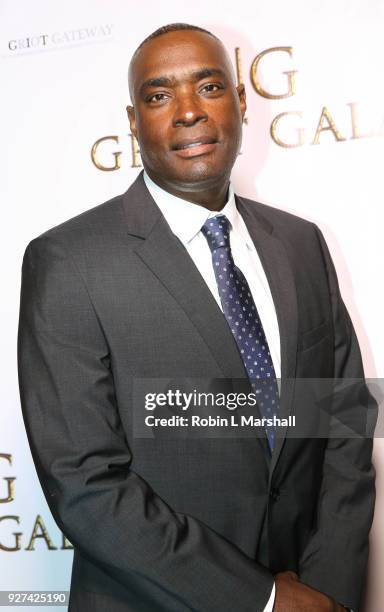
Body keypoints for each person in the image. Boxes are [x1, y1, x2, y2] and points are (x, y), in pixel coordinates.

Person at [17, 23, 375, 612]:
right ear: (134, 124)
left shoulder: (302, 242)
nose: (187, 112)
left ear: (240, 104)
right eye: (159, 96)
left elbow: (344, 424)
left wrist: (325, 591)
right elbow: (85, 484)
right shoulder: (69, 261)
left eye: (209, 87)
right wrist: (262, 599)